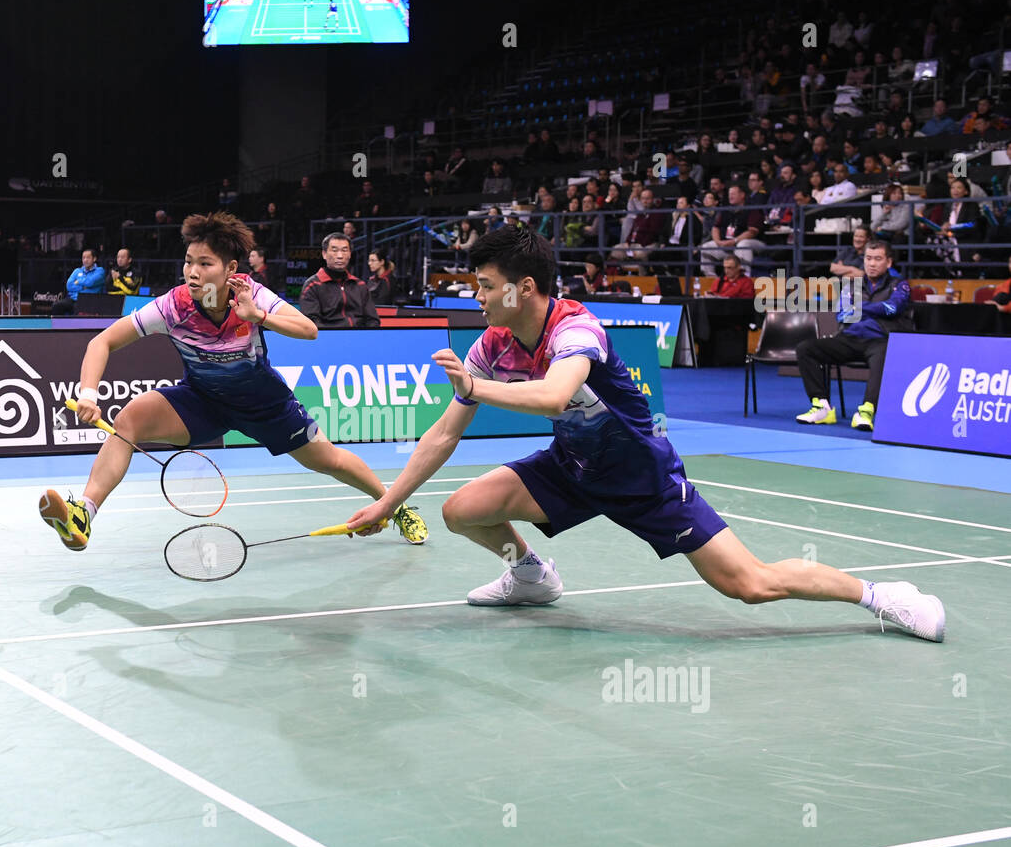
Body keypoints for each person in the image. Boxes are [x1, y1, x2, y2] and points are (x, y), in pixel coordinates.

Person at [342, 226, 944, 641]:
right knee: (463, 510)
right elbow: (445, 435)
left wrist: (475, 390)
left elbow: (553, 394)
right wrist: (389, 504)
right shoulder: (494, 342)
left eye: (483, 284)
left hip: (643, 479)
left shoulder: (577, 329)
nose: (474, 296)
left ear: (523, 287)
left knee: (750, 585)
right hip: (572, 467)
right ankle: (531, 575)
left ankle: (880, 596)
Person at [39, 211, 427, 552]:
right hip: (203, 399)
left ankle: (394, 504)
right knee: (129, 420)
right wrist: (88, 393)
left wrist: (258, 315)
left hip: (264, 404)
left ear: (230, 269)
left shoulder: (250, 294)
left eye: (205, 264)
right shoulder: (173, 306)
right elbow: (102, 341)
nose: (192, 271)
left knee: (329, 460)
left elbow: (308, 330)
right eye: (189, 261)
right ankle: (82, 515)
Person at [795, 239, 913, 432]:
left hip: (880, 340)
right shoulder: (852, 286)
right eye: (868, 258)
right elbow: (843, 313)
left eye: (877, 259)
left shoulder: (899, 285)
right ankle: (821, 406)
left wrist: (860, 307)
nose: (872, 263)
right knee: (806, 349)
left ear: (889, 262)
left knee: (884, 355)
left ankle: (866, 411)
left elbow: (892, 308)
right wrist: (874, 309)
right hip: (849, 339)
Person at [298, 232, 380, 328]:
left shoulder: (360, 285)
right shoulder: (312, 285)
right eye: (334, 250)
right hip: (328, 339)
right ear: (324, 254)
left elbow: (372, 320)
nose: (340, 256)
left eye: (344, 250)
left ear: (350, 254)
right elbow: (312, 323)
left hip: (360, 338)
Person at [51, 248, 106, 316]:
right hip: (74, 298)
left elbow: (90, 282)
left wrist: (78, 281)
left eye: (88, 258)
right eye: (83, 258)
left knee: (77, 309)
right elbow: (69, 285)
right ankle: (58, 326)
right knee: (56, 306)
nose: (85, 260)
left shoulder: (100, 271)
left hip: (89, 300)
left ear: (94, 259)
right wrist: (84, 287)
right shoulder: (77, 271)